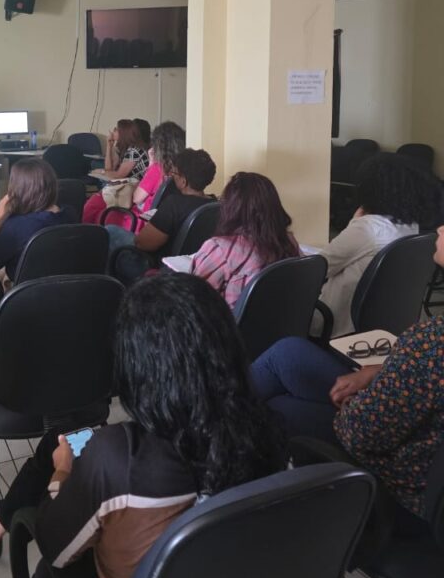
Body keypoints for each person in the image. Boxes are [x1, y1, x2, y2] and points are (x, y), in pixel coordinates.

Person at [0, 274, 286, 578]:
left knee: (61, 453)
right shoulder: (270, 433)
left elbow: (53, 544)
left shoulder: (117, 458)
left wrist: (64, 470)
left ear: (140, 370)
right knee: (62, 437)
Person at [251, 223, 444, 524]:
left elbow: (359, 433)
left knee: (276, 407)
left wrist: (360, 397)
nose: (440, 228)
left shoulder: (431, 344)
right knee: (287, 353)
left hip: (401, 475)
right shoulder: (427, 348)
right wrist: (379, 372)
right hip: (401, 417)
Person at [317, 153, 439, 336]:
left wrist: (353, 222)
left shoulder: (367, 228)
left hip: (337, 322)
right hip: (380, 322)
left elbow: (320, 268)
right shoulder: (410, 226)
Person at [187, 172, 300, 308]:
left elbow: (191, 301)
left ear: (230, 207)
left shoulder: (220, 249)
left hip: (229, 327)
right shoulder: (289, 242)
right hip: (281, 326)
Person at [106, 148, 217, 282]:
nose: (172, 176)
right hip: (194, 269)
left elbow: (142, 244)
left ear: (183, 181)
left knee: (110, 231)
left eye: (174, 173)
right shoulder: (215, 204)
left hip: (158, 270)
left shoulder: (174, 204)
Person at [0, 158, 73, 282]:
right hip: (67, 289)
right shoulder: (70, 214)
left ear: (17, 189)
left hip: (27, 295)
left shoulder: (15, 227)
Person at [82, 120, 185, 226]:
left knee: (97, 208)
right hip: (158, 217)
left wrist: (151, 165)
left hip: (140, 220)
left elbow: (136, 198)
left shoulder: (157, 169)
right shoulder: (181, 169)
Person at [91, 119, 149, 183]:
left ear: (122, 133)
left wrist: (102, 172)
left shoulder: (134, 150)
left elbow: (119, 175)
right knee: (97, 168)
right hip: (128, 182)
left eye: (116, 129)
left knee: (104, 178)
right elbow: (109, 169)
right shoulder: (122, 147)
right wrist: (109, 146)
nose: (113, 132)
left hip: (137, 185)